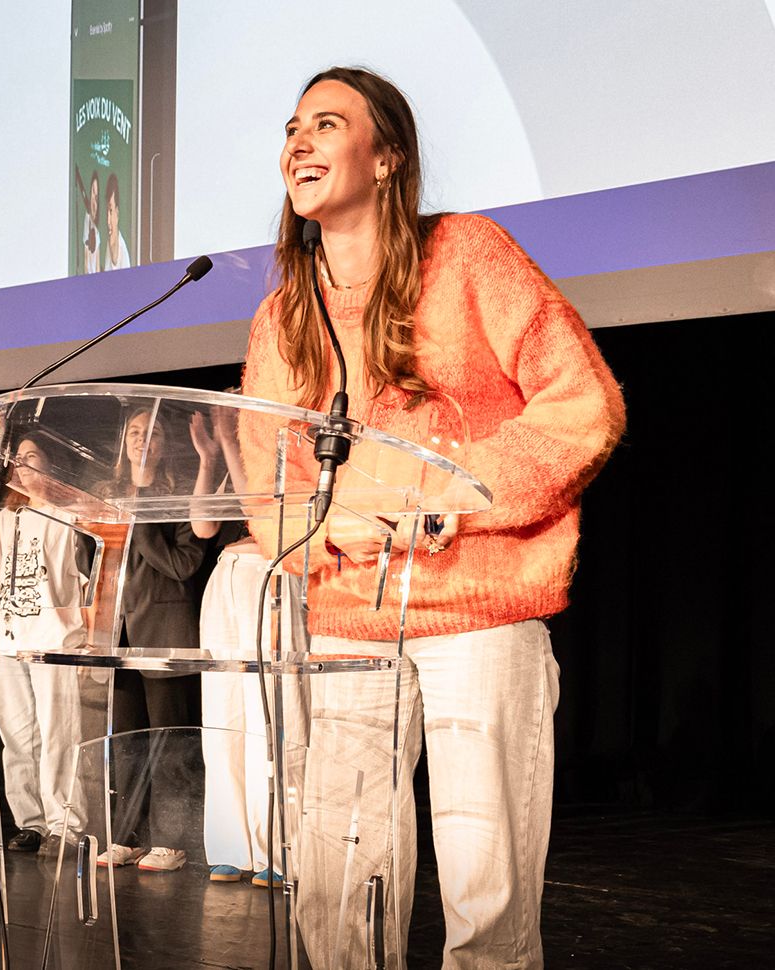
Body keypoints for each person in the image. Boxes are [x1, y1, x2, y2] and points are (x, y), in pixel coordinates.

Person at [238, 67, 625, 967]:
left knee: (485, 885)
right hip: (345, 619)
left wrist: (447, 492)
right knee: (335, 880)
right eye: (291, 127)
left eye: (325, 124)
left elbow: (582, 404)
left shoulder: (467, 254)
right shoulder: (283, 314)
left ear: (385, 159)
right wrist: (327, 528)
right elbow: (265, 486)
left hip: (478, 616)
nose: (298, 142)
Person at [189, 399, 308, 888]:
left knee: (272, 715)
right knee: (225, 717)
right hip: (228, 578)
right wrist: (209, 458)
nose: (227, 422)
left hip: (272, 574)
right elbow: (202, 526)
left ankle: (278, 847)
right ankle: (231, 845)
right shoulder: (229, 462)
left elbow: (261, 515)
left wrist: (231, 444)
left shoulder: (287, 456)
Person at [96, 407, 209, 873]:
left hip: (165, 634)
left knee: (170, 746)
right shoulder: (106, 494)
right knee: (126, 746)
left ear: (167, 444)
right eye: (136, 431)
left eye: (154, 432)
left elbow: (183, 565)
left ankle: (171, 840)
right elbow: (95, 561)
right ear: (124, 442)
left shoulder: (180, 496)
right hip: (117, 635)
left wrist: (138, 516)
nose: (143, 439)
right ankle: (125, 838)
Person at [0, 433, 88, 854]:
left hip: (54, 640)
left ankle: (65, 824)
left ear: (52, 463)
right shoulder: (7, 518)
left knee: (57, 734)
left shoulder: (71, 515)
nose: (23, 465)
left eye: (32, 456)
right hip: (11, 641)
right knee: (16, 735)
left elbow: (88, 581)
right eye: (18, 458)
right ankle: (29, 821)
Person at [102, 172, 132, 271]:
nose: (108, 221)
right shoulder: (109, 244)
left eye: (111, 211)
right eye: (107, 211)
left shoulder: (122, 252)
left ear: (117, 213)